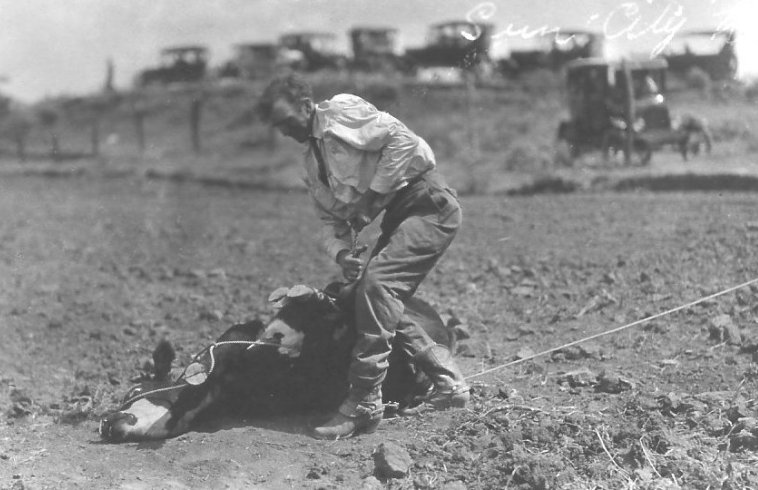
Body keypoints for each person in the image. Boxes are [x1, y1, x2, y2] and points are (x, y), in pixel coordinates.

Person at [257, 74, 469, 439]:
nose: (284, 130)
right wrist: (342, 255)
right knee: (360, 294)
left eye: (286, 119)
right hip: (400, 214)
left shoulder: (341, 111)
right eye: (278, 126)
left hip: (429, 203)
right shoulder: (311, 164)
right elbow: (330, 221)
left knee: (377, 286)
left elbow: (404, 141)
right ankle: (448, 382)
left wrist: (371, 199)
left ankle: (365, 401)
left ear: (306, 105)